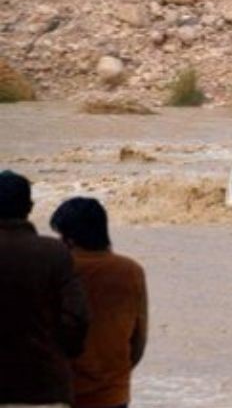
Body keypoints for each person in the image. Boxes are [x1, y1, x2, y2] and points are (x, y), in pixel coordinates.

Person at [0, 171, 89, 408]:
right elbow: (76, 318)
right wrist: (56, 352)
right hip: (45, 387)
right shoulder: (55, 253)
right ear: (29, 206)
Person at [50, 198, 148, 408]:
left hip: (67, 393)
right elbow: (138, 341)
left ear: (69, 238)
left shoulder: (60, 269)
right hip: (114, 393)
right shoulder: (131, 271)